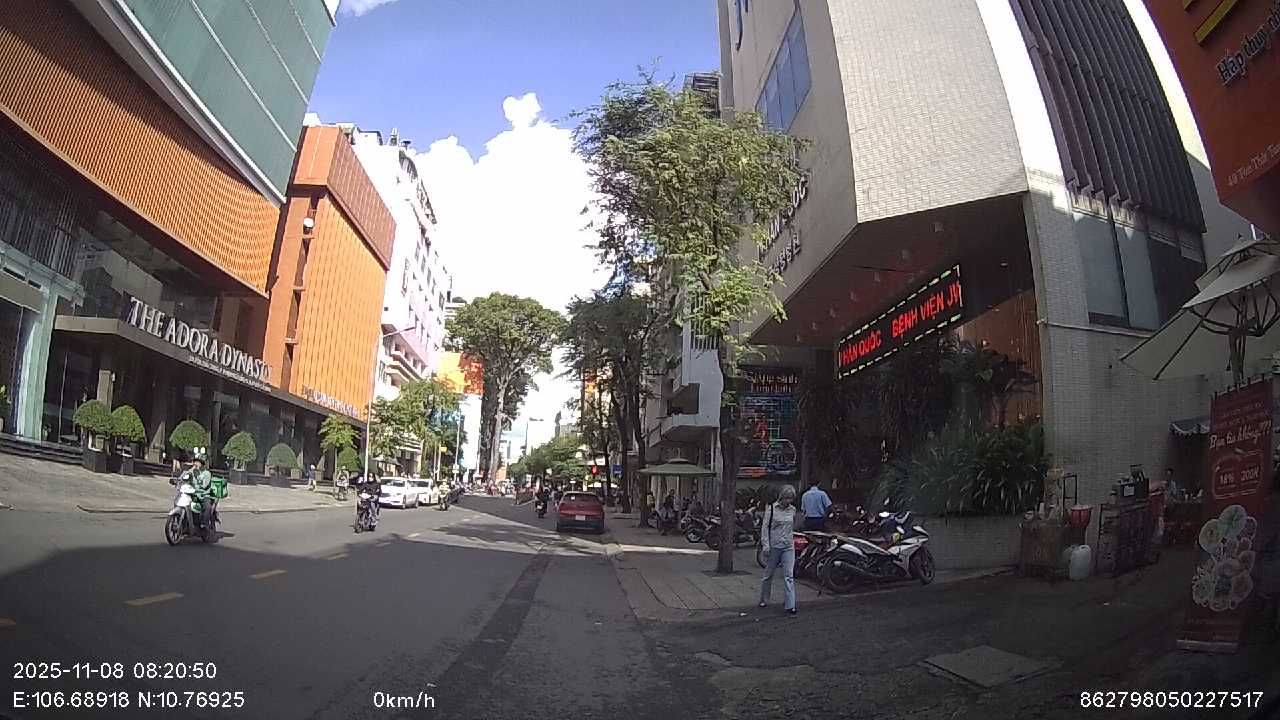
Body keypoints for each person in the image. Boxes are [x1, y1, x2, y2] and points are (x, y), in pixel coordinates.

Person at [759, 485, 798, 615]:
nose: (789, 501)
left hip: (788, 546)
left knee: (789, 575)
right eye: (787, 498)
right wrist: (766, 545)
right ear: (782, 497)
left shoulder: (792, 510)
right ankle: (764, 599)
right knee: (768, 574)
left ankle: (790, 605)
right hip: (774, 546)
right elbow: (765, 528)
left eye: (791, 498)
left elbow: (792, 526)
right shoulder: (771, 509)